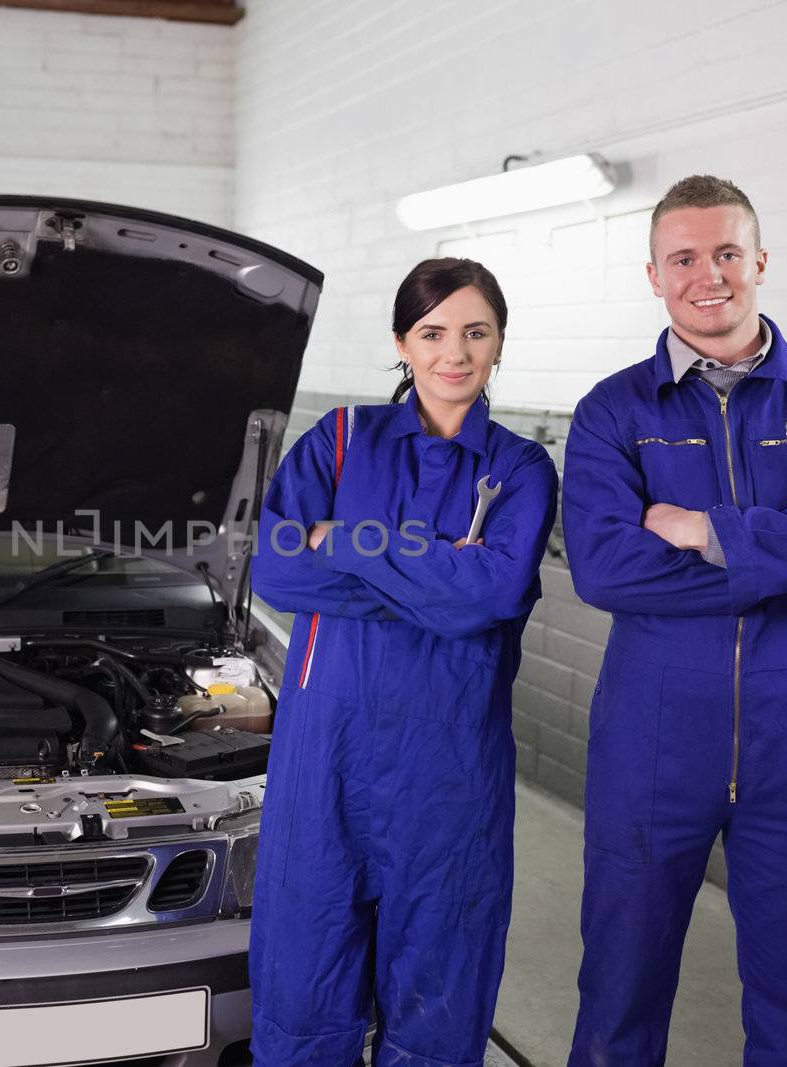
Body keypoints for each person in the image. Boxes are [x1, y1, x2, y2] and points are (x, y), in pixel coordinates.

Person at [562, 175, 787, 1065]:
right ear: (653, 274)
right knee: (617, 1007)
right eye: (684, 257)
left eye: (726, 253)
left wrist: (705, 531)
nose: (706, 274)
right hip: (651, 739)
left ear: (759, 261)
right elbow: (603, 567)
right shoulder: (614, 411)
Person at [247, 257, 558, 1067]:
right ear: (402, 342)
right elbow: (276, 568)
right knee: (304, 985)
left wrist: (346, 543)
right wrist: (437, 575)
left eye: (475, 332)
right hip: (327, 765)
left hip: (449, 773)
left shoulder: (521, 470)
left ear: (497, 343)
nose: (454, 352)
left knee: (439, 1003)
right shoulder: (340, 442)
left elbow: (488, 596)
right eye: (432, 332)